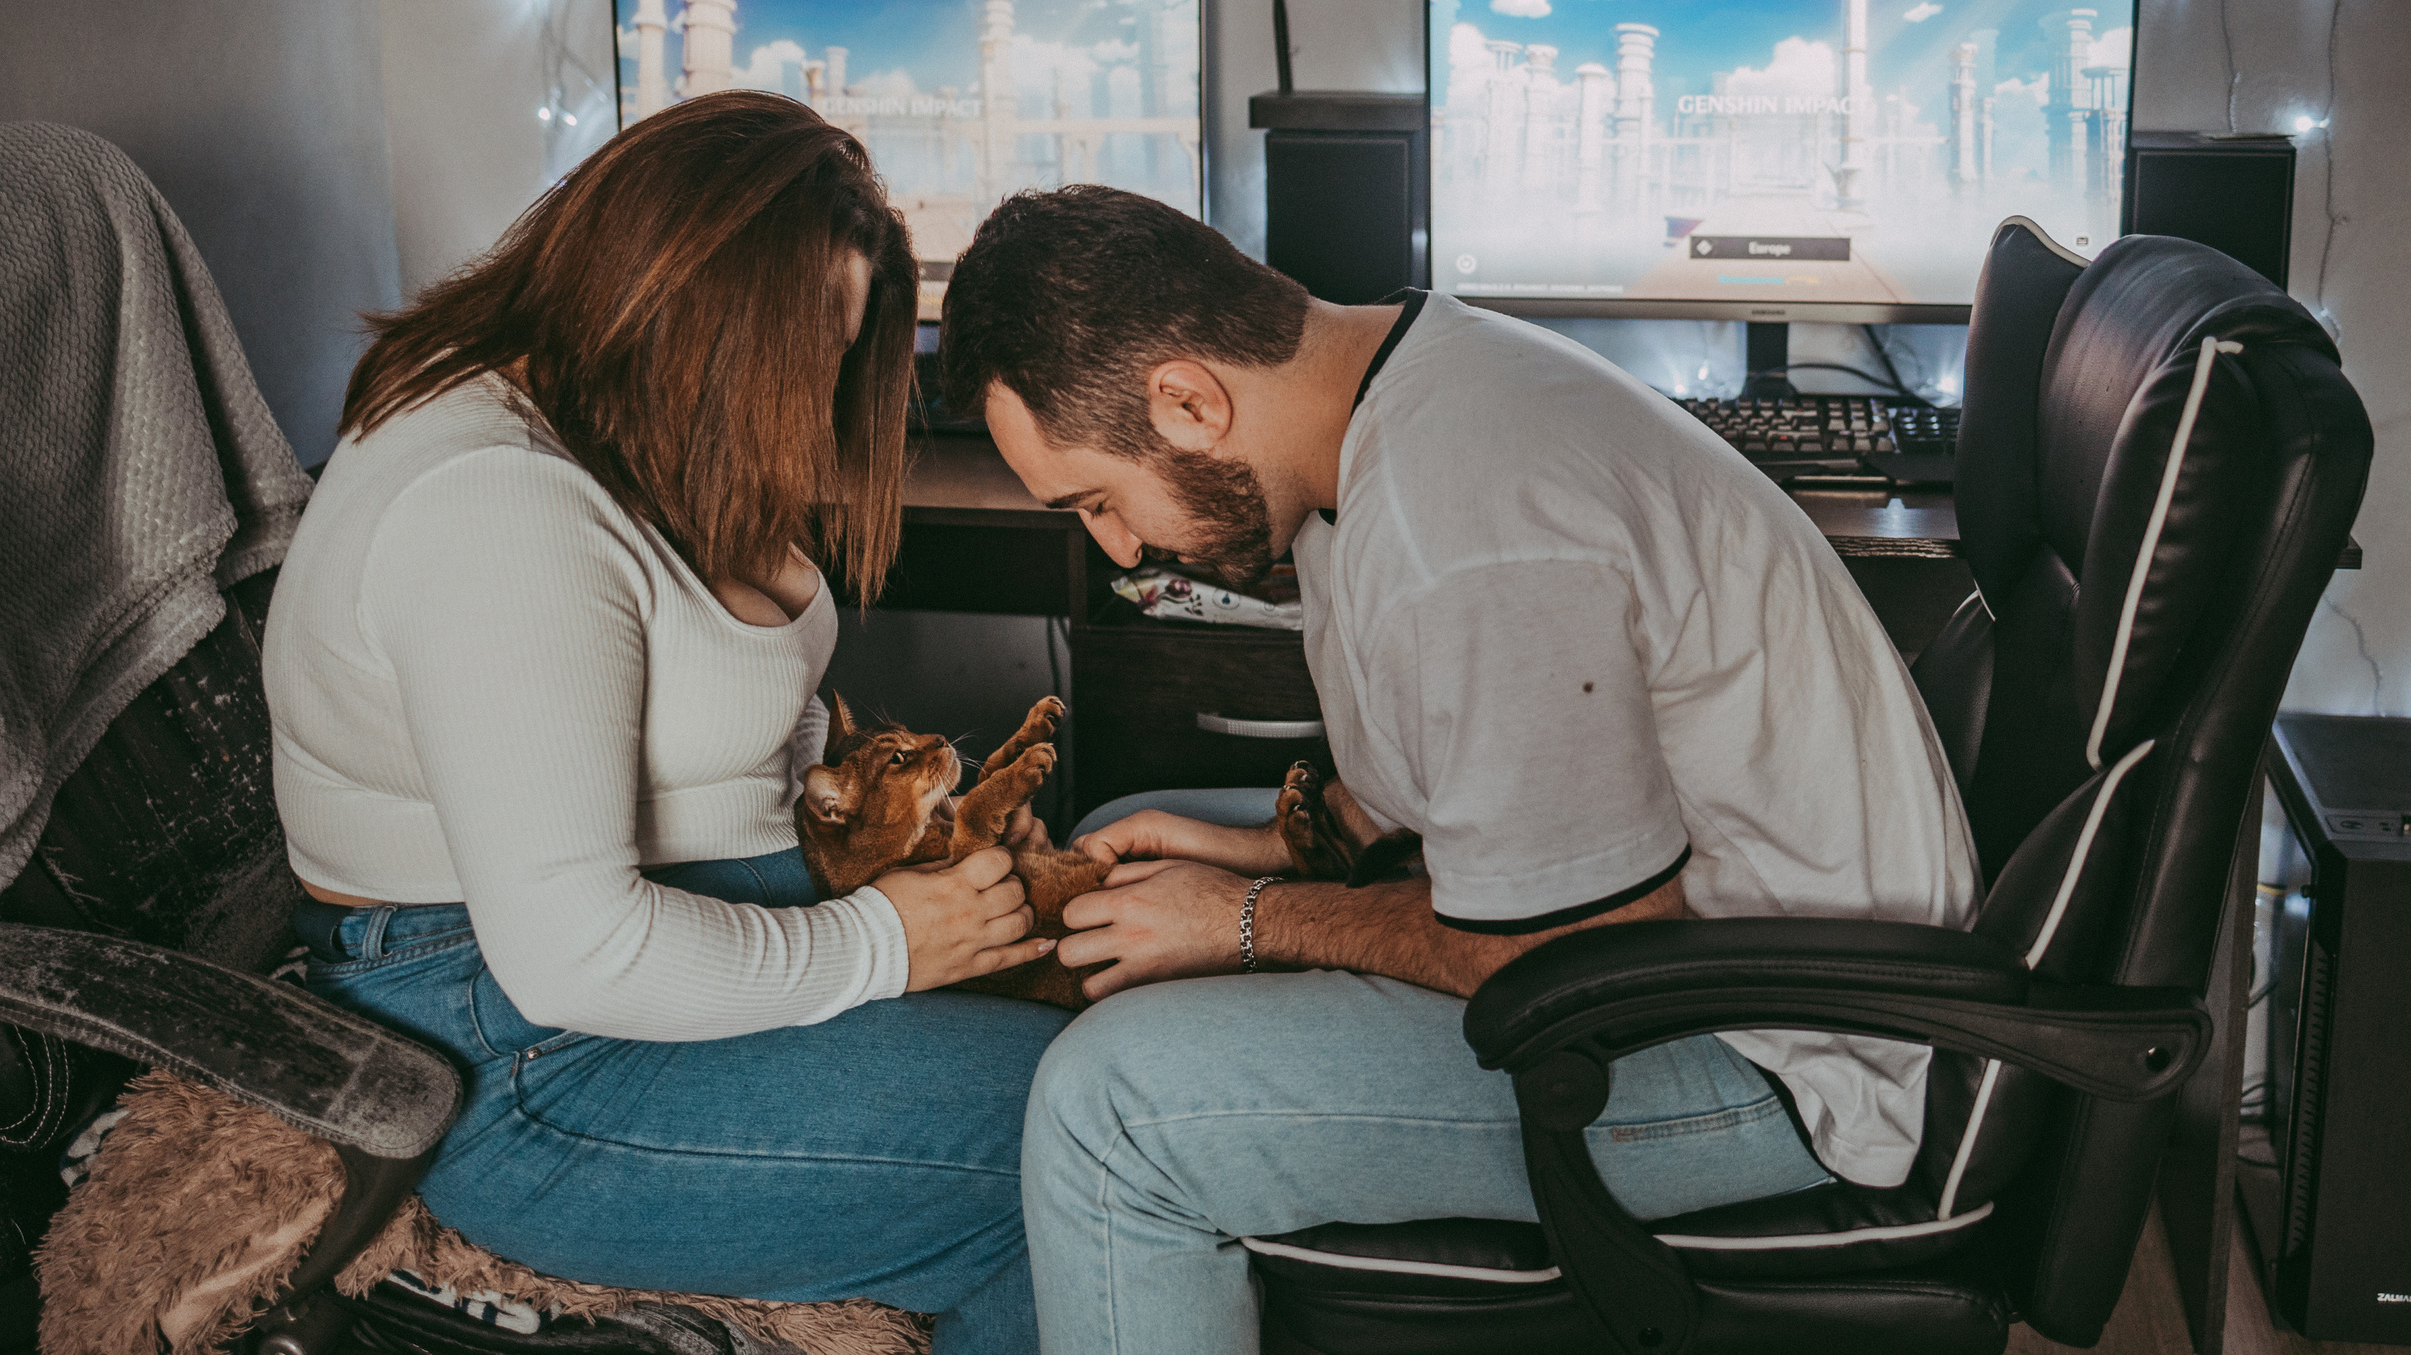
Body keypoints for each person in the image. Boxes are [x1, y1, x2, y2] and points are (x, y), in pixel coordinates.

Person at [935, 186, 1980, 1355]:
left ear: (1187, 400)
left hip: (1771, 1044)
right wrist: (1273, 849)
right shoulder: (1392, 393)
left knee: (1109, 1111)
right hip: (1707, 953)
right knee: (1138, 826)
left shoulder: (1465, 528)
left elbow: (1564, 951)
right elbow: (1446, 757)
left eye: (1098, 500)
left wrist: (1249, 919)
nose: (1118, 549)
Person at [264, 93, 1064, 1355]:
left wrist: (899, 854)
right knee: (1089, 1127)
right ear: (674, 299)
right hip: (531, 1060)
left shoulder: (624, 427)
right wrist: (882, 945)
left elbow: (730, 710)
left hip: (695, 951)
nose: (815, 389)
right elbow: (573, 953)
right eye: (800, 347)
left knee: (1103, 1039)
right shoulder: (498, 510)